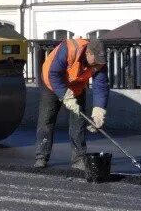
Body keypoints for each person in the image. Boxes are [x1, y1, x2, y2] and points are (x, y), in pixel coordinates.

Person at [34, 37, 109, 170]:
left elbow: (101, 86)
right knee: (47, 119)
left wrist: (98, 112)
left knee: (78, 122)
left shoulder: (99, 62)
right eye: (96, 60)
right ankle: (41, 156)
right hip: (51, 84)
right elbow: (54, 74)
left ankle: (79, 159)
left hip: (76, 87)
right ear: (89, 53)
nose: (97, 64)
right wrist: (65, 96)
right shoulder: (69, 49)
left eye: (100, 61)